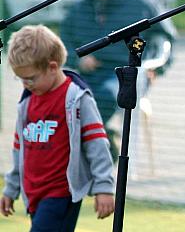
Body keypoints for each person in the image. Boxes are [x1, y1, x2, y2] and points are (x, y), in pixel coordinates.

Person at [60, 0, 177, 158]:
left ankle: (87, 148)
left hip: (126, 75)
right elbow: (63, 44)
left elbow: (164, 40)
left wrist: (154, 68)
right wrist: (77, 59)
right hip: (86, 74)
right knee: (60, 97)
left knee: (103, 96)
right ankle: (102, 140)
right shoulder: (78, 9)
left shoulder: (140, 5)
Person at [1, 25, 115, 230]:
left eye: (31, 78)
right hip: (34, 192)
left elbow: (97, 144)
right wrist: (11, 188)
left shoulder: (76, 99)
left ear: (52, 67)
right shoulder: (27, 102)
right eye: (21, 78)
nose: (25, 84)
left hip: (62, 193)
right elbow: (20, 150)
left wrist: (104, 187)